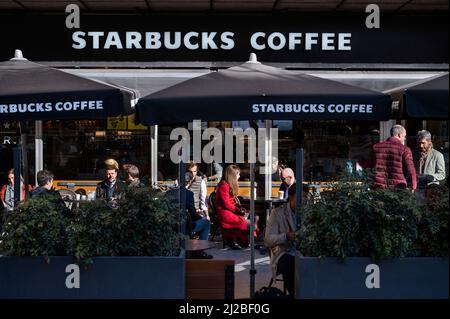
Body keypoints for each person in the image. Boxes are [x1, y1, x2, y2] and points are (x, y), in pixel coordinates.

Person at [264, 183, 297, 297]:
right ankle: (295, 295)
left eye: (307, 199)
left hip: (302, 251)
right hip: (283, 252)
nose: (305, 202)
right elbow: (268, 240)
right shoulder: (277, 213)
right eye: (302, 198)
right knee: (291, 263)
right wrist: (286, 236)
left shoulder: (308, 213)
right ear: (292, 197)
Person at [372, 124, 417, 190]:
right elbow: (410, 170)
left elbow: (369, 168)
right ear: (399, 135)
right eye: (404, 137)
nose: (404, 139)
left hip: (378, 189)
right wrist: (413, 187)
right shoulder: (404, 149)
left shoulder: (376, 147)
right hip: (397, 189)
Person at [215, 164, 249, 250]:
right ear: (233, 175)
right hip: (224, 212)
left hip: (228, 211)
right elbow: (226, 203)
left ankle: (236, 240)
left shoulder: (227, 184)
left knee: (247, 215)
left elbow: (231, 201)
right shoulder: (224, 185)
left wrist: (239, 208)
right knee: (242, 221)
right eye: (238, 174)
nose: (239, 176)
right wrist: (236, 210)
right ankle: (238, 241)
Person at [185, 171, 213, 259]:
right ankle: (199, 252)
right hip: (184, 227)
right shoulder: (188, 194)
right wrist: (201, 217)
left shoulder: (169, 193)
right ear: (190, 182)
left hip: (171, 226)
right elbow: (193, 215)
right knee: (206, 223)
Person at [414, 130, 446, 196]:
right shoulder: (414, 154)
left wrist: (428, 176)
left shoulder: (438, 155)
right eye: (419, 143)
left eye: (423, 143)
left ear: (429, 142)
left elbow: (442, 174)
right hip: (416, 189)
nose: (421, 146)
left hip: (431, 191)